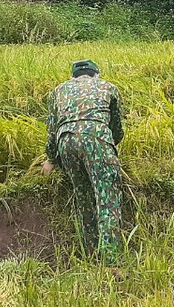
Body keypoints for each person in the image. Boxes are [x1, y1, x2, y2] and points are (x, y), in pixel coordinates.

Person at [41, 60, 126, 263]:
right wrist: (108, 148)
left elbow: (52, 130)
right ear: (96, 75)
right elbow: (116, 128)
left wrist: (51, 159)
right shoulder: (108, 87)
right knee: (107, 199)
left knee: (84, 197)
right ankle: (111, 262)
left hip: (66, 141)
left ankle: (92, 255)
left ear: (73, 77)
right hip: (97, 138)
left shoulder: (58, 91)